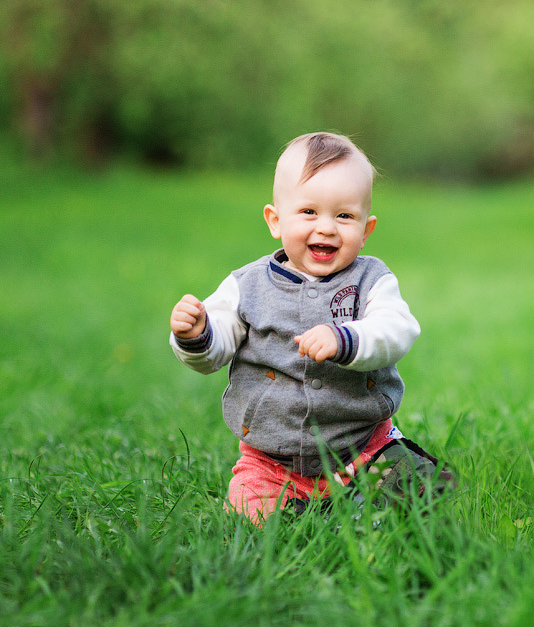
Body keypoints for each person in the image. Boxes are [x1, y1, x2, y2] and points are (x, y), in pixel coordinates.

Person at [170, 131, 451, 524]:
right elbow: (214, 352)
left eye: (344, 216)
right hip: (272, 459)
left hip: (363, 447)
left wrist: (347, 339)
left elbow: (397, 328)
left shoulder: (372, 280)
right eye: (308, 212)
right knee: (249, 515)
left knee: (420, 490)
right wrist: (196, 334)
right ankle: (307, 510)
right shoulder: (245, 286)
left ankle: (361, 503)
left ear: (366, 230)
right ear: (275, 220)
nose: (327, 228)